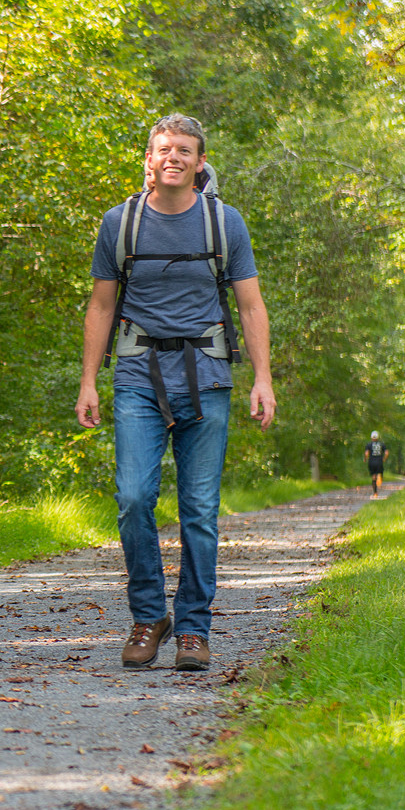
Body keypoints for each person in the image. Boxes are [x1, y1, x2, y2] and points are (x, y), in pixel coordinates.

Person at [76, 115, 276, 673]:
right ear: (148, 159)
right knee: (135, 499)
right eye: (164, 149)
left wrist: (262, 378)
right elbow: (100, 306)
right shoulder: (120, 224)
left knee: (199, 511)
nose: (173, 158)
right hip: (138, 374)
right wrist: (89, 380)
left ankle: (192, 628)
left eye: (184, 151)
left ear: (200, 163)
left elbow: (251, 306)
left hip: (208, 374)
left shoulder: (225, 223)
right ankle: (148, 617)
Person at [364, 431, 386, 497]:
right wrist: (384, 459)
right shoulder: (382, 444)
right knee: (380, 472)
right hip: (379, 462)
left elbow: (366, 453)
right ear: (378, 437)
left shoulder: (369, 445)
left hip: (371, 462)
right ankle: (380, 476)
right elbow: (387, 453)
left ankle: (375, 493)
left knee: (373, 477)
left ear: (371, 437)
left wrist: (365, 459)